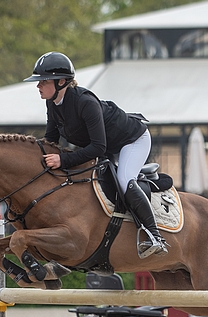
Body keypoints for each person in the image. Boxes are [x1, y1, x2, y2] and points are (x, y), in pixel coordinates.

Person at [24, 51, 167, 258]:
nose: (38, 86)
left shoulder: (85, 102)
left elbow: (98, 147)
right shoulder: (52, 103)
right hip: (107, 145)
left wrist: (63, 159)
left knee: (125, 179)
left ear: (61, 82)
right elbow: (50, 141)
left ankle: (155, 237)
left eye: (43, 81)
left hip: (131, 140)